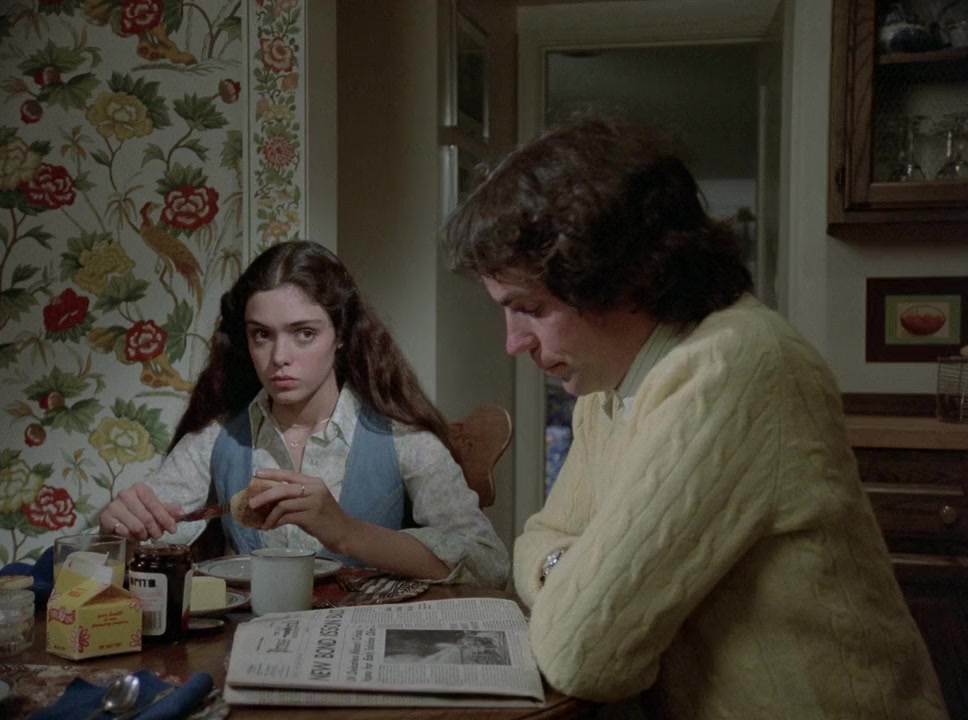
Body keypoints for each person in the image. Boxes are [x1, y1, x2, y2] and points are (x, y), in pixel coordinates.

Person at [442, 115, 947, 718]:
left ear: (613, 275)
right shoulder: (607, 390)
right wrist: (564, 566)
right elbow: (536, 539)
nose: (512, 342)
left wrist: (567, 576)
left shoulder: (739, 364)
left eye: (529, 307)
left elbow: (582, 652)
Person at [99, 240, 508, 587]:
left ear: (341, 334)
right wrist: (119, 533)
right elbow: (110, 561)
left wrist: (346, 533)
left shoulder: (403, 439)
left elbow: (489, 565)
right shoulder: (218, 438)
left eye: (304, 333)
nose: (280, 357)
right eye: (262, 335)